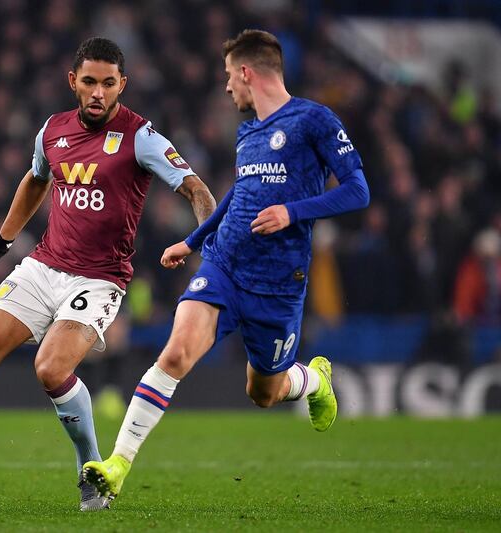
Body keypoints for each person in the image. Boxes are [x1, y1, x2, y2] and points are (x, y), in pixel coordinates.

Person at [0, 37, 216, 511]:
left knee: (51, 368)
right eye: (91, 82)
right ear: (73, 81)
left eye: (109, 84)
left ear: (123, 85)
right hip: (43, 266)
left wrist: (206, 243)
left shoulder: (142, 137)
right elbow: (36, 179)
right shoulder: (52, 130)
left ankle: (90, 469)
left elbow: (195, 188)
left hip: (99, 279)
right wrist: (2, 241)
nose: (99, 93)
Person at [82, 29, 370, 501]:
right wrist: (194, 239)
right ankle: (118, 466)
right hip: (224, 265)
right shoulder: (249, 131)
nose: (226, 88)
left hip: (278, 283)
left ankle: (315, 379)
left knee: (264, 393)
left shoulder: (314, 120)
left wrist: (293, 212)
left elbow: (358, 190)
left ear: (245, 72)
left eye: (227, 77)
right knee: (175, 354)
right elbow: (242, 194)